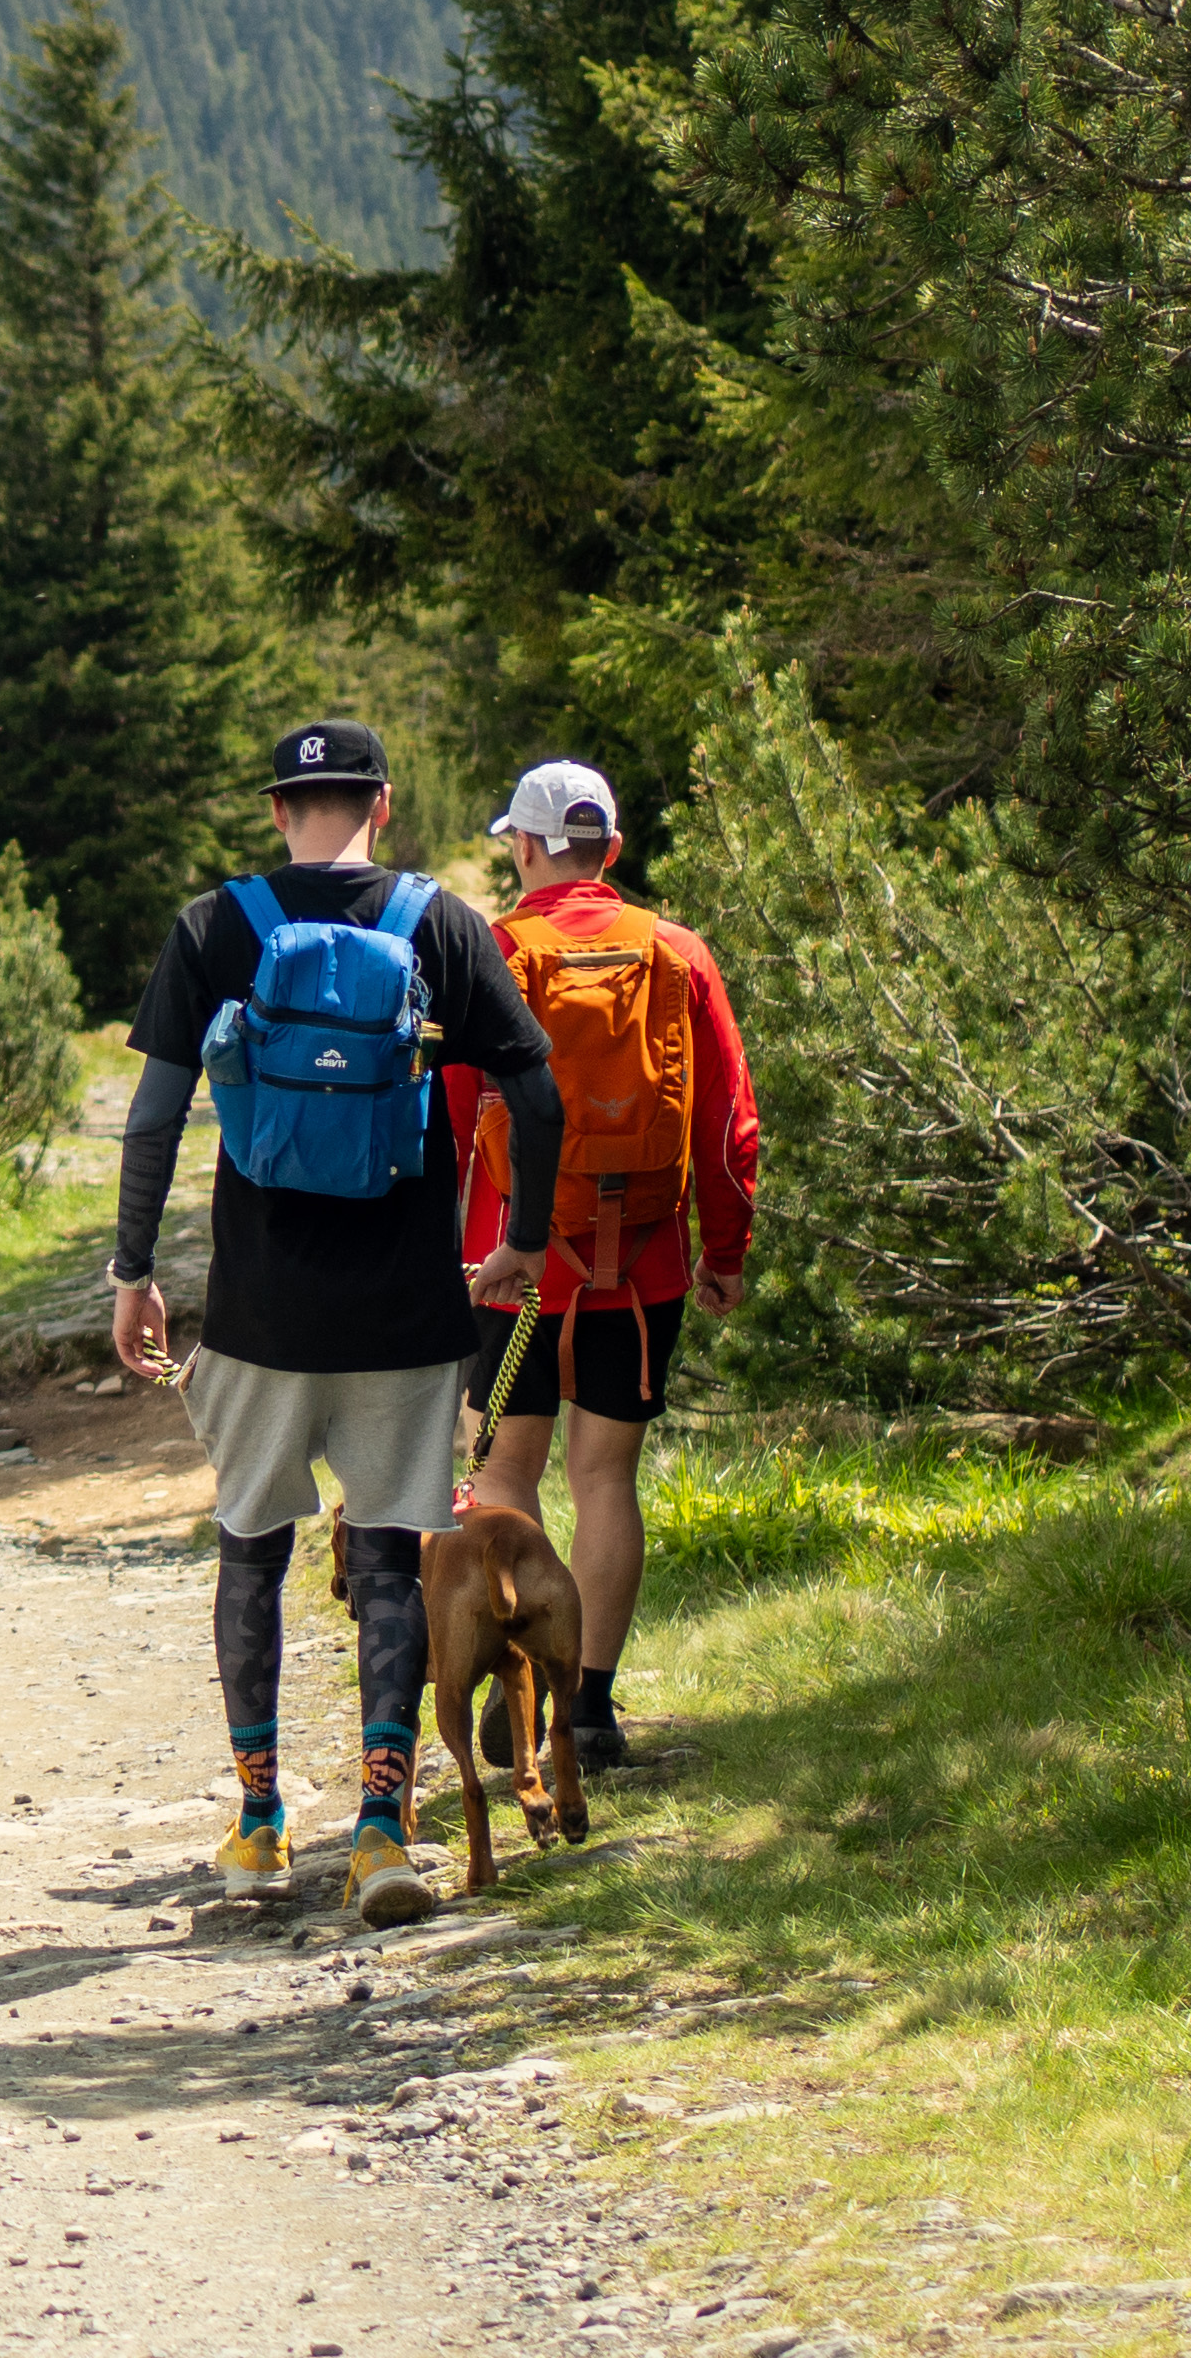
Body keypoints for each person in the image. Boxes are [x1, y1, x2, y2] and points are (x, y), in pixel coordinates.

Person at [103, 719, 563, 1923]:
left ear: (277, 810)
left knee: (252, 1549)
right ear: (384, 804)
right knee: (393, 1561)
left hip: (260, 1314)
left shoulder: (217, 925)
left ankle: (260, 1824)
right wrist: (523, 1235)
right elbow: (536, 1088)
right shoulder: (442, 923)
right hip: (406, 1313)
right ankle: (381, 1830)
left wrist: (134, 1268)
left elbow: (153, 1116)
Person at [451, 759, 761, 1773]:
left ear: (525, 847)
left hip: (512, 1261)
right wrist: (724, 1252)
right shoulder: (678, 951)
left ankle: (527, 1687)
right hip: (644, 1265)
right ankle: (589, 1709)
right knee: (605, 1477)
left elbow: (448, 1117)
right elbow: (729, 1126)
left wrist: (442, 1255)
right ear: (612, 848)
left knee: (505, 1470)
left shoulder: (496, 952)